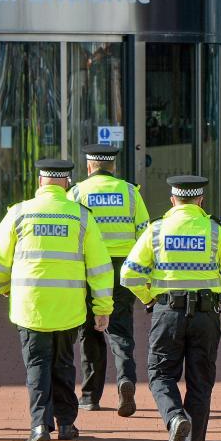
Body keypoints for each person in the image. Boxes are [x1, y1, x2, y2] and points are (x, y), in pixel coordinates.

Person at [0, 159, 113, 441]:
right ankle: (67, 423)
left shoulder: (19, 213)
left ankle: (40, 424)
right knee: (64, 364)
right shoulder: (81, 216)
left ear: (40, 182)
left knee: (37, 366)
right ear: (67, 183)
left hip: (31, 306)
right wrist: (102, 308)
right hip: (69, 307)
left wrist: (1, 287)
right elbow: (100, 267)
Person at [120, 176, 221, 441]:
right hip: (207, 316)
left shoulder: (156, 230)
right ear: (200, 201)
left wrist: (149, 297)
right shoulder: (217, 232)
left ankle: (175, 416)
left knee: (161, 374)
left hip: (168, 312)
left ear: (173, 200)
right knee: (201, 383)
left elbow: (129, 275)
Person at [68, 144, 149, 416]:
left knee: (90, 332)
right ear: (112, 166)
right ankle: (125, 379)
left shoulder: (77, 192)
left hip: (90, 269)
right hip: (122, 268)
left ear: (90, 166)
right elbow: (144, 234)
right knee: (121, 330)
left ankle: (90, 395)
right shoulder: (130, 192)